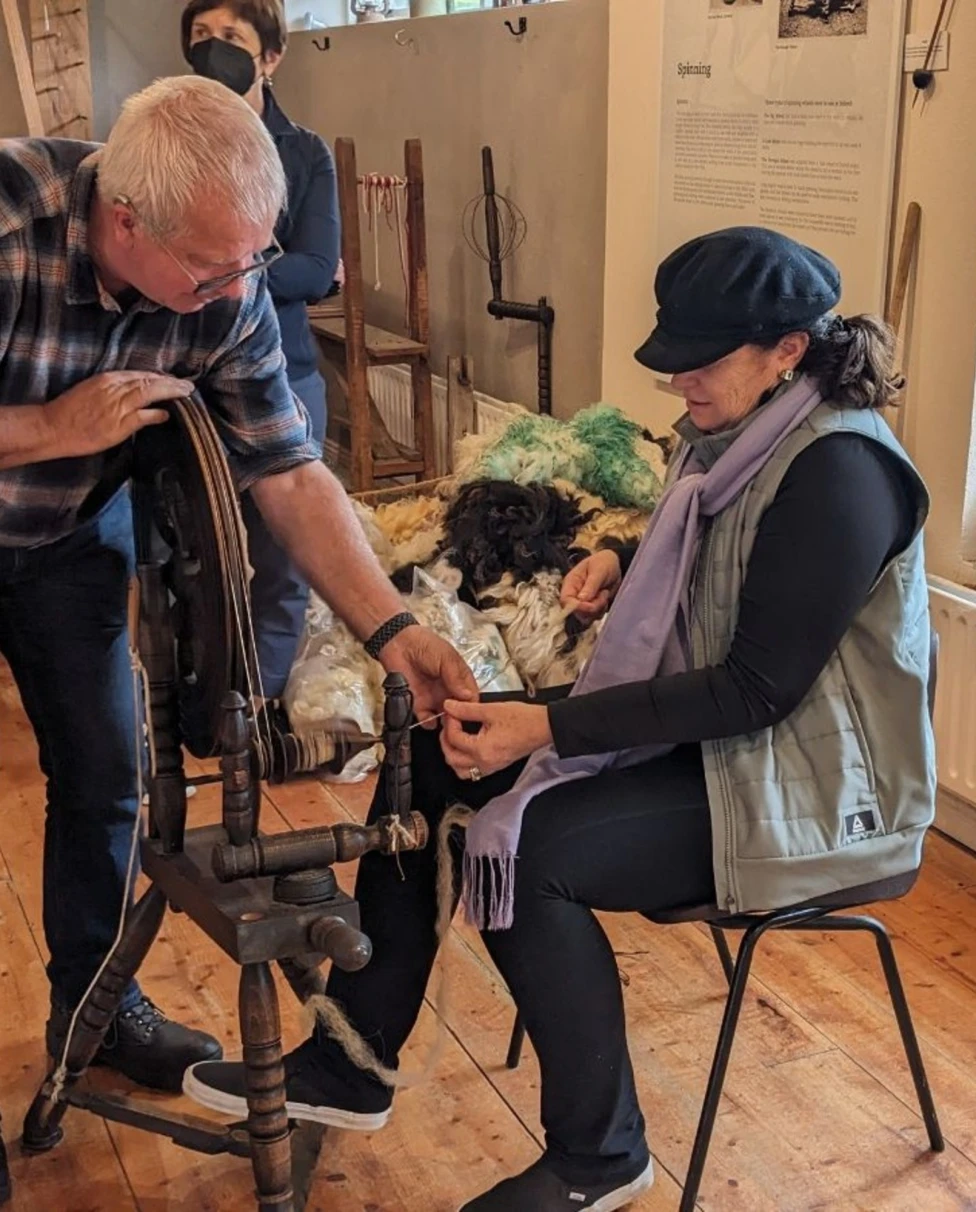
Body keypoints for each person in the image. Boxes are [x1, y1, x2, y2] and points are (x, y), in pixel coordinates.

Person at [184, 226, 935, 1210]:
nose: (677, 382)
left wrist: (545, 729)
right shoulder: (741, 434)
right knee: (438, 751)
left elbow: (755, 689)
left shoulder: (842, 472)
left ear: (786, 350)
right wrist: (623, 560)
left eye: (699, 361)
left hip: (813, 791)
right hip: (726, 748)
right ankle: (352, 1062)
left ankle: (600, 1154)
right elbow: (728, 561)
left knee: (532, 850)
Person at [0, 75, 475, 1094]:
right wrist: (48, 428)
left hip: (68, 538)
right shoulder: (9, 224)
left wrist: (393, 633)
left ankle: (95, 1011)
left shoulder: (225, 275)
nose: (234, 291)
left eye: (250, 262)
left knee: (105, 778)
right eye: (213, 269)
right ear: (126, 220)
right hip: (33, 473)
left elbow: (288, 472)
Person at [180, 0, 340, 705]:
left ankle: (260, 705)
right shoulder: (169, 144)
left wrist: (207, 268)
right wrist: (262, 266)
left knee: (284, 559)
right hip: (186, 380)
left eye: (231, 37)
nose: (212, 49)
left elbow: (317, 269)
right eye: (200, 36)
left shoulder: (302, 153)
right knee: (191, 554)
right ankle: (201, 696)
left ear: (270, 57)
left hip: (284, 373)